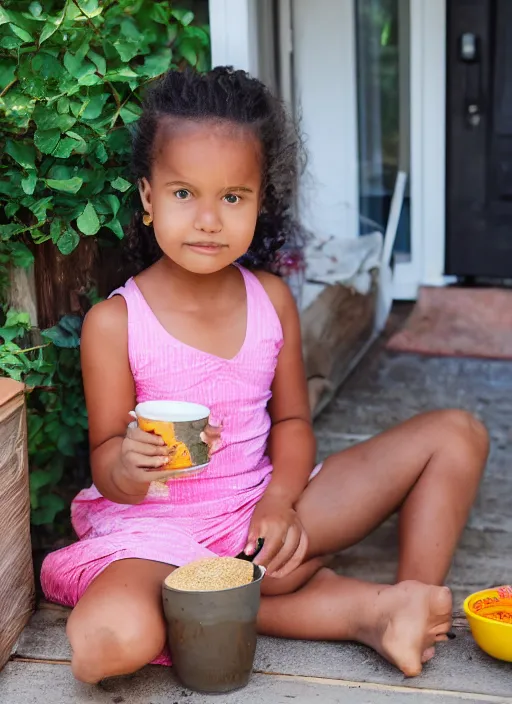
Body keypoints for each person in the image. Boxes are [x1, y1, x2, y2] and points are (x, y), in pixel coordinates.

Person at [41, 67, 489, 684]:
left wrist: (281, 504)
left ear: (259, 200)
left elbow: (294, 419)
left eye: (232, 197)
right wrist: (129, 463)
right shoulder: (115, 323)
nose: (207, 220)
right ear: (147, 197)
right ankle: (357, 609)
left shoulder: (271, 300)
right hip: (157, 537)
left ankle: (409, 598)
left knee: (457, 435)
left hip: (259, 512)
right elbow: (106, 467)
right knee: (107, 643)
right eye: (182, 194)